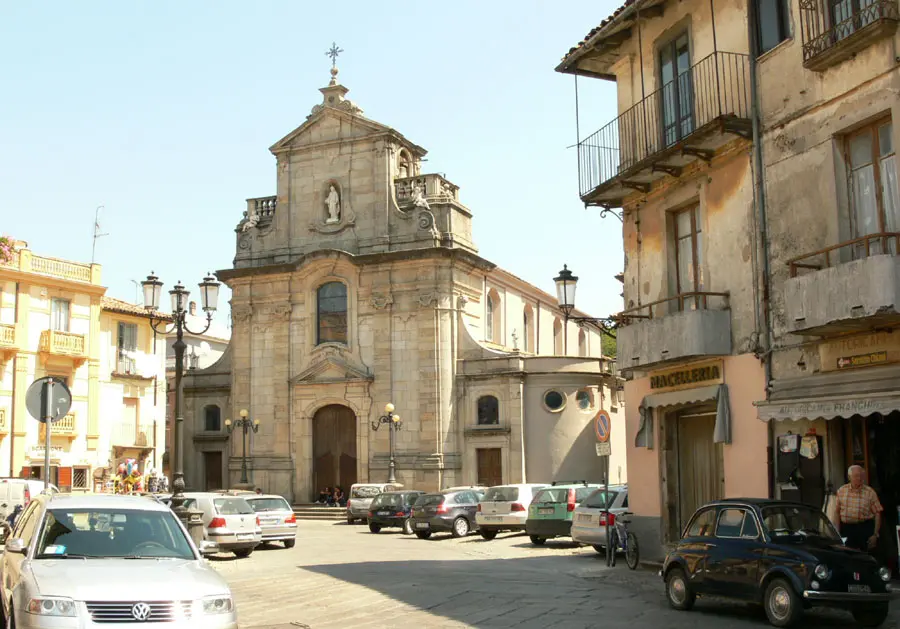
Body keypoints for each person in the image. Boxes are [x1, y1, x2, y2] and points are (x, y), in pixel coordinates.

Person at [835, 465, 883, 552]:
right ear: (849, 477)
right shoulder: (841, 491)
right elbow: (837, 512)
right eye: (856, 476)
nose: (859, 478)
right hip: (847, 529)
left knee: (866, 557)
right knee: (847, 556)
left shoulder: (870, 492)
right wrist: (837, 533)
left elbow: (877, 514)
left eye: (861, 476)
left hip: (864, 529)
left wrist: (875, 534)